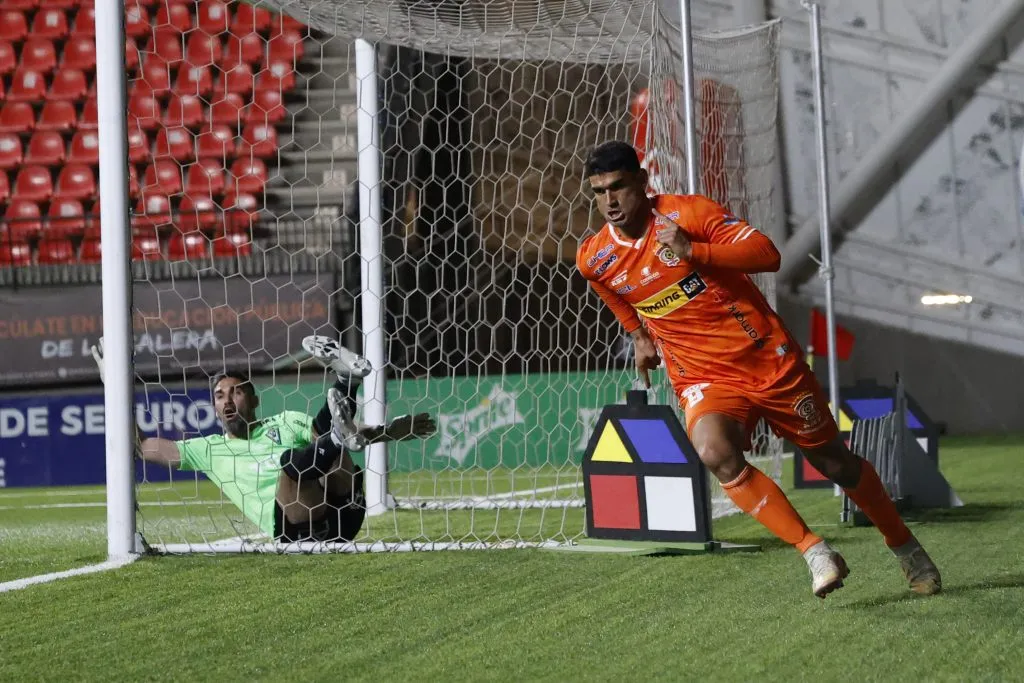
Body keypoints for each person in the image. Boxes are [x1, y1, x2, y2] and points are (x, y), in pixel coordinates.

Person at [575, 140, 941, 598]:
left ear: (643, 184)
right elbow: (608, 286)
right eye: (599, 192)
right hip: (702, 375)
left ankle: (905, 547)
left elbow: (767, 254)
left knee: (832, 461)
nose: (609, 201)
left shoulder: (688, 215)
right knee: (714, 452)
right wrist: (638, 334)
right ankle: (815, 551)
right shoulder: (595, 256)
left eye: (619, 187)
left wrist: (695, 252)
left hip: (767, 360)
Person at [91, 335, 436, 544]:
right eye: (219, 395)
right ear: (212, 406)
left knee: (324, 438)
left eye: (236, 393)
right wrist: (114, 388)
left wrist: (385, 433)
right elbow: (141, 447)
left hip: (346, 507)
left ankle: (347, 380)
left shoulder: (283, 420)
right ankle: (346, 384)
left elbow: (346, 440)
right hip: (300, 526)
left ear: (254, 400)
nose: (227, 400)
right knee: (295, 460)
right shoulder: (207, 450)